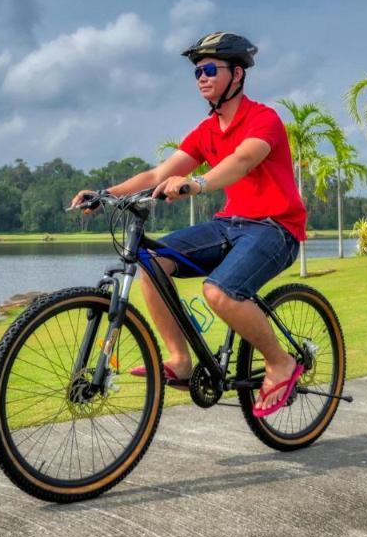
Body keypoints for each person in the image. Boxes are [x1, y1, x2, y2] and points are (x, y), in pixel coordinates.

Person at [71, 32, 308, 417]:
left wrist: (197, 183)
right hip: (229, 224)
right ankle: (180, 360)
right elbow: (159, 172)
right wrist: (104, 193)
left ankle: (281, 363)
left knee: (220, 293)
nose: (202, 77)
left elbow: (243, 161)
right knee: (152, 262)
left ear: (237, 74)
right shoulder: (206, 131)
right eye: (198, 71)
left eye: (210, 69)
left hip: (274, 228)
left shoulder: (263, 119)